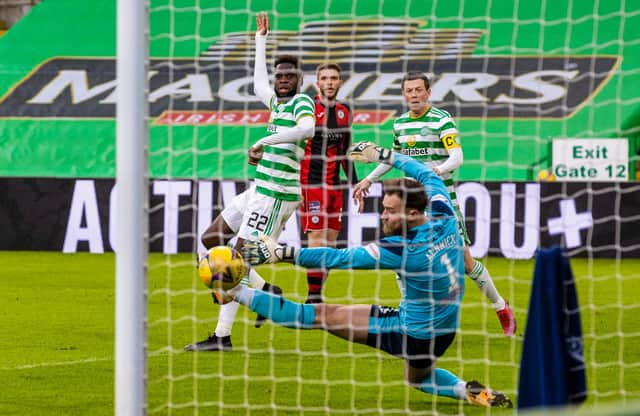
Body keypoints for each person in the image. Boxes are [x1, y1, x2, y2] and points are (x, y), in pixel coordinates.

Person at [218, 143, 512, 408]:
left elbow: (338, 258)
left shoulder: (404, 249)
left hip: (412, 332)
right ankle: (468, 391)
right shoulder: (444, 214)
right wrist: (385, 156)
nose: (382, 215)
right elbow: (427, 173)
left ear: (412, 214)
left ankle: (234, 291)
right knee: (417, 379)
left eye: (390, 211)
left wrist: (283, 253)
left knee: (320, 315)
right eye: (383, 208)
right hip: (445, 330)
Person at [184, 12, 315, 352]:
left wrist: (262, 143)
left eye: (288, 75)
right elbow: (259, 85)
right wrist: (260, 40)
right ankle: (267, 290)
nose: (282, 79)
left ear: (299, 79)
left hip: (275, 195)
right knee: (211, 238)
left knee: (233, 261)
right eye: (279, 75)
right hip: (259, 188)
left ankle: (222, 337)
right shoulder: (275, 102)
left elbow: (307, 129)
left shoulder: (302, 102)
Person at [352, 71, 516, 336]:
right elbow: (393, 159)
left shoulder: (442, 120)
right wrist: (368, 180)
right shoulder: (400, 124)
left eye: (419, 90)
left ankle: (500, 306)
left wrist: (434, 174)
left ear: (428, 92)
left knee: (464, 262)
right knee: (402, 256)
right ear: (404, 94)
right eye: (409, 91)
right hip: (411, 205)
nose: (414, 95)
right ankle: (410, 314)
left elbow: (457, 157)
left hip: (442, 201)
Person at [300, 62, 358, 304]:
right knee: (316, 240)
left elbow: (345, 150)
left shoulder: (345, 111)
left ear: (340, 82)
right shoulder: (307, 109)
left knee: (331, 244)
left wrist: (355, 183)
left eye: (334, 78)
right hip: (312, 185)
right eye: (325, 78)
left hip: (335, 187)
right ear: (317, 82)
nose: (330, 82)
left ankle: (317, 295)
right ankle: (313, 298)